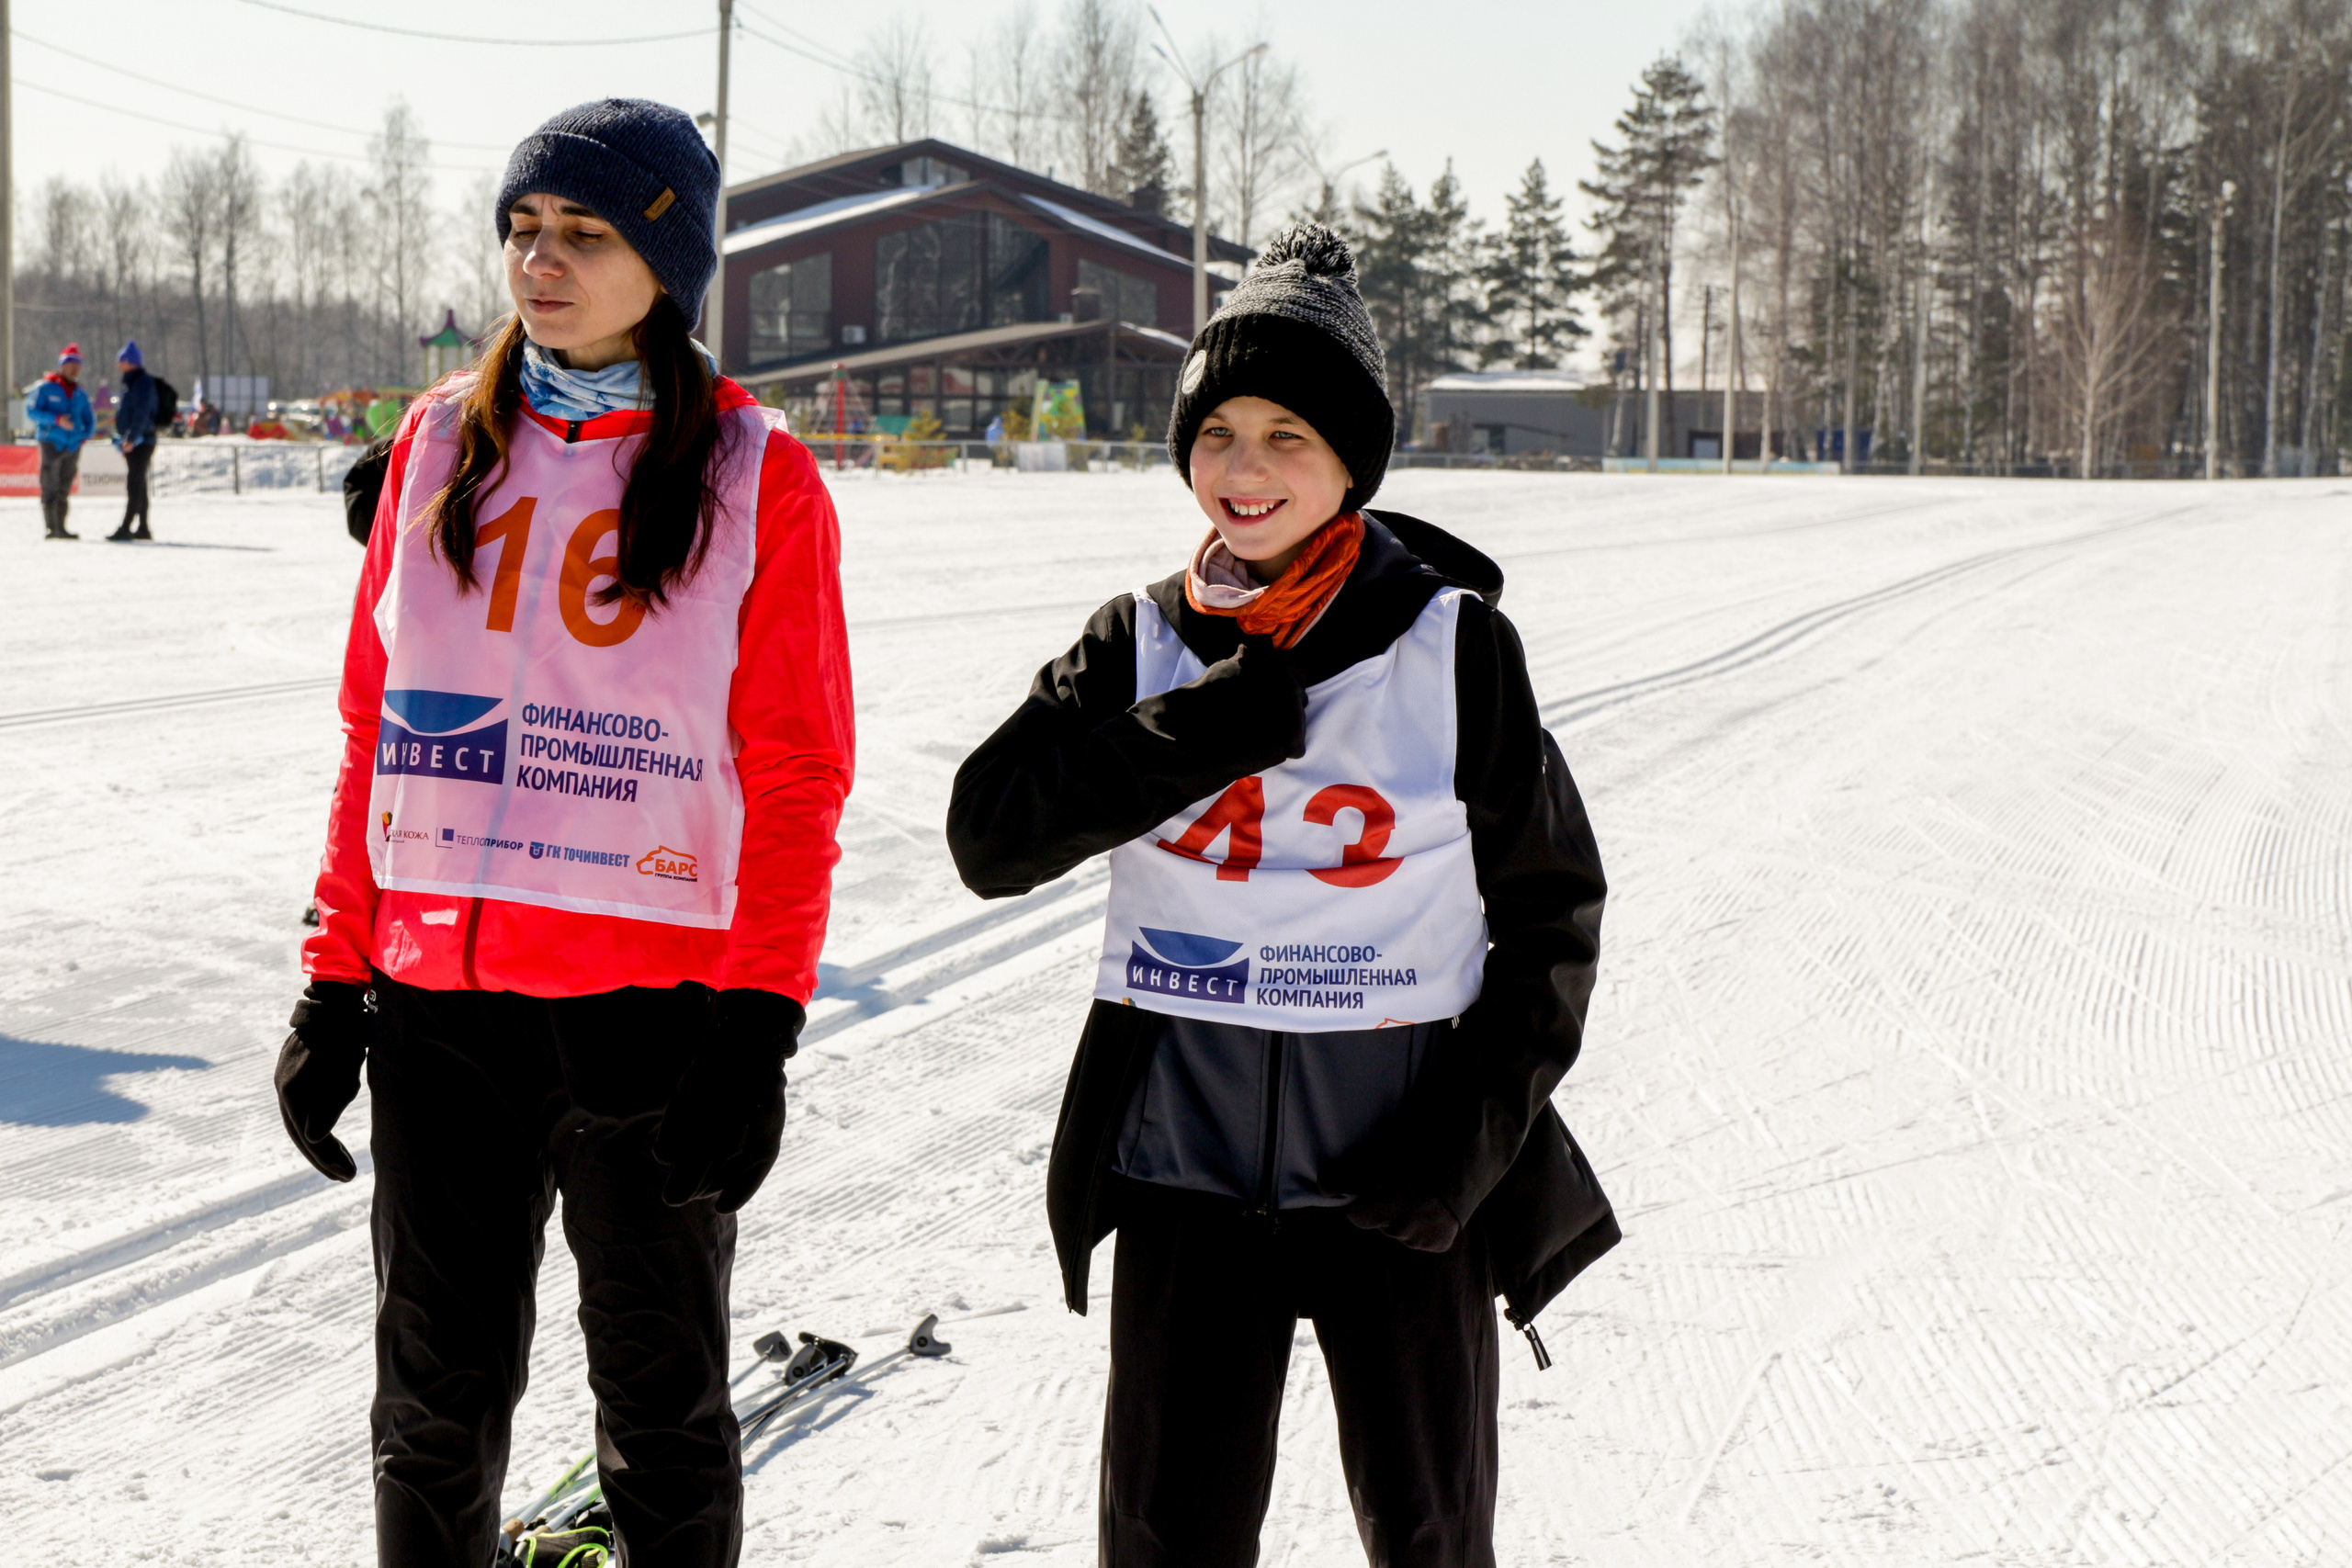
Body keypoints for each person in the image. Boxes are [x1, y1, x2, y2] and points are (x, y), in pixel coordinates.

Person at [947, 222, 1616, 1568]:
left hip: (1402, 1187)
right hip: (1185, 1179)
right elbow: (989, 835)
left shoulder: (1454, 647)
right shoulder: (1138, 642)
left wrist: (1465, 1155)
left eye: (1287, 438)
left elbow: (1554, 922)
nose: (1243, 472)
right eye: (1220, 433)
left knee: (1430, 1536)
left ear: (1351, 460)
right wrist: (1189, 732)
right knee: (1164, 1540)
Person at [275, 98, 854, 1567]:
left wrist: (759, 1019)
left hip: (648, 1015)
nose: (541, 260)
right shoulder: (431, 447)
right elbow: (376, 729)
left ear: (669, 263)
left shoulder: (752, 473)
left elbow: (797, 771)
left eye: (584, 234)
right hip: (439, 1003)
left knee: (659, 1411)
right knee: (429, 1406)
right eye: (524, 229)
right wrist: (335, 975)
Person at [32, 343, 95, 539]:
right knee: (49, 484)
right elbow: (32, 411)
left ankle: (62, 527)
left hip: (73, 445)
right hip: (51, 441)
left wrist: (84, 437)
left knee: (64, 487)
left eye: (78, 365)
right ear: (62, 365)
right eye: (71, 364)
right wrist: (57, 420)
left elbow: (90, 419)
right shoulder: (45, 388)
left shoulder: (80, 393)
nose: (75, 368)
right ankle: (51, 528)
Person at [109, 341, 158, 542]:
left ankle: (126, 527)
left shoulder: (141, 383)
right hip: (137, 440)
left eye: (121, 361)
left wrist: (131, 438)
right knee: (139, 484)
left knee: (134, 484)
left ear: (130, 362)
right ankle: (143, 527)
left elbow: (141, 413)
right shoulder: (132, 382)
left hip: (141, 441)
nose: (118, 365)